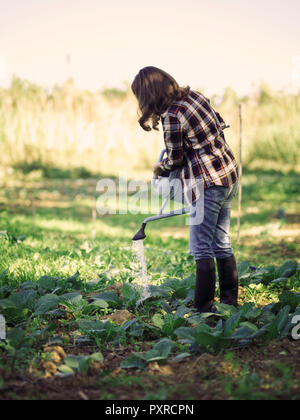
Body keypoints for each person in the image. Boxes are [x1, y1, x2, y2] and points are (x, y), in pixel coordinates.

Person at [131, 66, 239, 313]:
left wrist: (160, 168)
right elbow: (218, 126)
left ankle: (204, 310)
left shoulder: (171, 116)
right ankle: (230, 303)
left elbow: (175, 159)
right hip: (228, 172)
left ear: (147, 95)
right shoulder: (195, 96)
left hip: (209, 181)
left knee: (201, 247)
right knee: (221, 242)